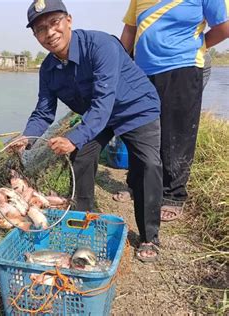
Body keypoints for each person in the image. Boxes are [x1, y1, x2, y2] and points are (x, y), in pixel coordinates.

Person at [16, 0, 163, 262]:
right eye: (40, 29)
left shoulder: (100, 46)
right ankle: (84, 223)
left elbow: (103, 102)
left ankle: (149, 236)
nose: (50, 33)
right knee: (81, 158)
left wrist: (74, 137)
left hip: (135, 108)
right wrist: (27, 137)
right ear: (35, 36)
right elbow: (44, 111)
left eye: (54, 23)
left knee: (148, 165)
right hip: (99, 118)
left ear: (68, 20)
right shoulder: (48, 69)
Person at [120, 0, 229, 221]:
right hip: (142, 71)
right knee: (139, 129)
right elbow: (130, 29)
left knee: (177, 134)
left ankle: (173, 194)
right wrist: (121, 65)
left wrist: (195, 45)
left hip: (183, 66)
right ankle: (137, 184)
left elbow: (223, 27)